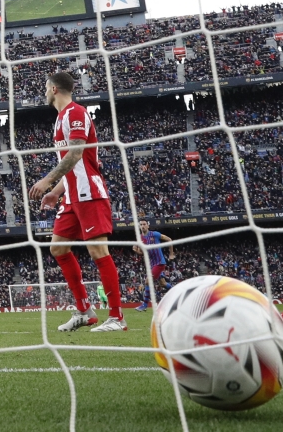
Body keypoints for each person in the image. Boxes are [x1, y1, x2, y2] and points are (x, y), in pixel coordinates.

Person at [29, 71, 126, 333]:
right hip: (71, 195)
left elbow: (75, 154)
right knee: (58, 249)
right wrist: (57, 192)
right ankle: (85, 311)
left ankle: (117, 317)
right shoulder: (61, 118)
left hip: (89, 193)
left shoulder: (75, 113)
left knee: (98, 252)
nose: (44, 92)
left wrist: (47, 181)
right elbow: (75, 165)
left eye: (45, 88)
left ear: (54, 89)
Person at [133, 220, 174, 311]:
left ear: (148, 226)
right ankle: (177, 292)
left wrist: (171, 254)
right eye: (141, 225)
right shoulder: (140, 239)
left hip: (159, 262)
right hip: (152, 264)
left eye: (144, 224)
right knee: (162, 284)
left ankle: (145, 305)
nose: (143, 226)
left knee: (148, 281)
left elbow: (169, 240)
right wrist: (136, 251)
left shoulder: (155, 234)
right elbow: (143, 253)